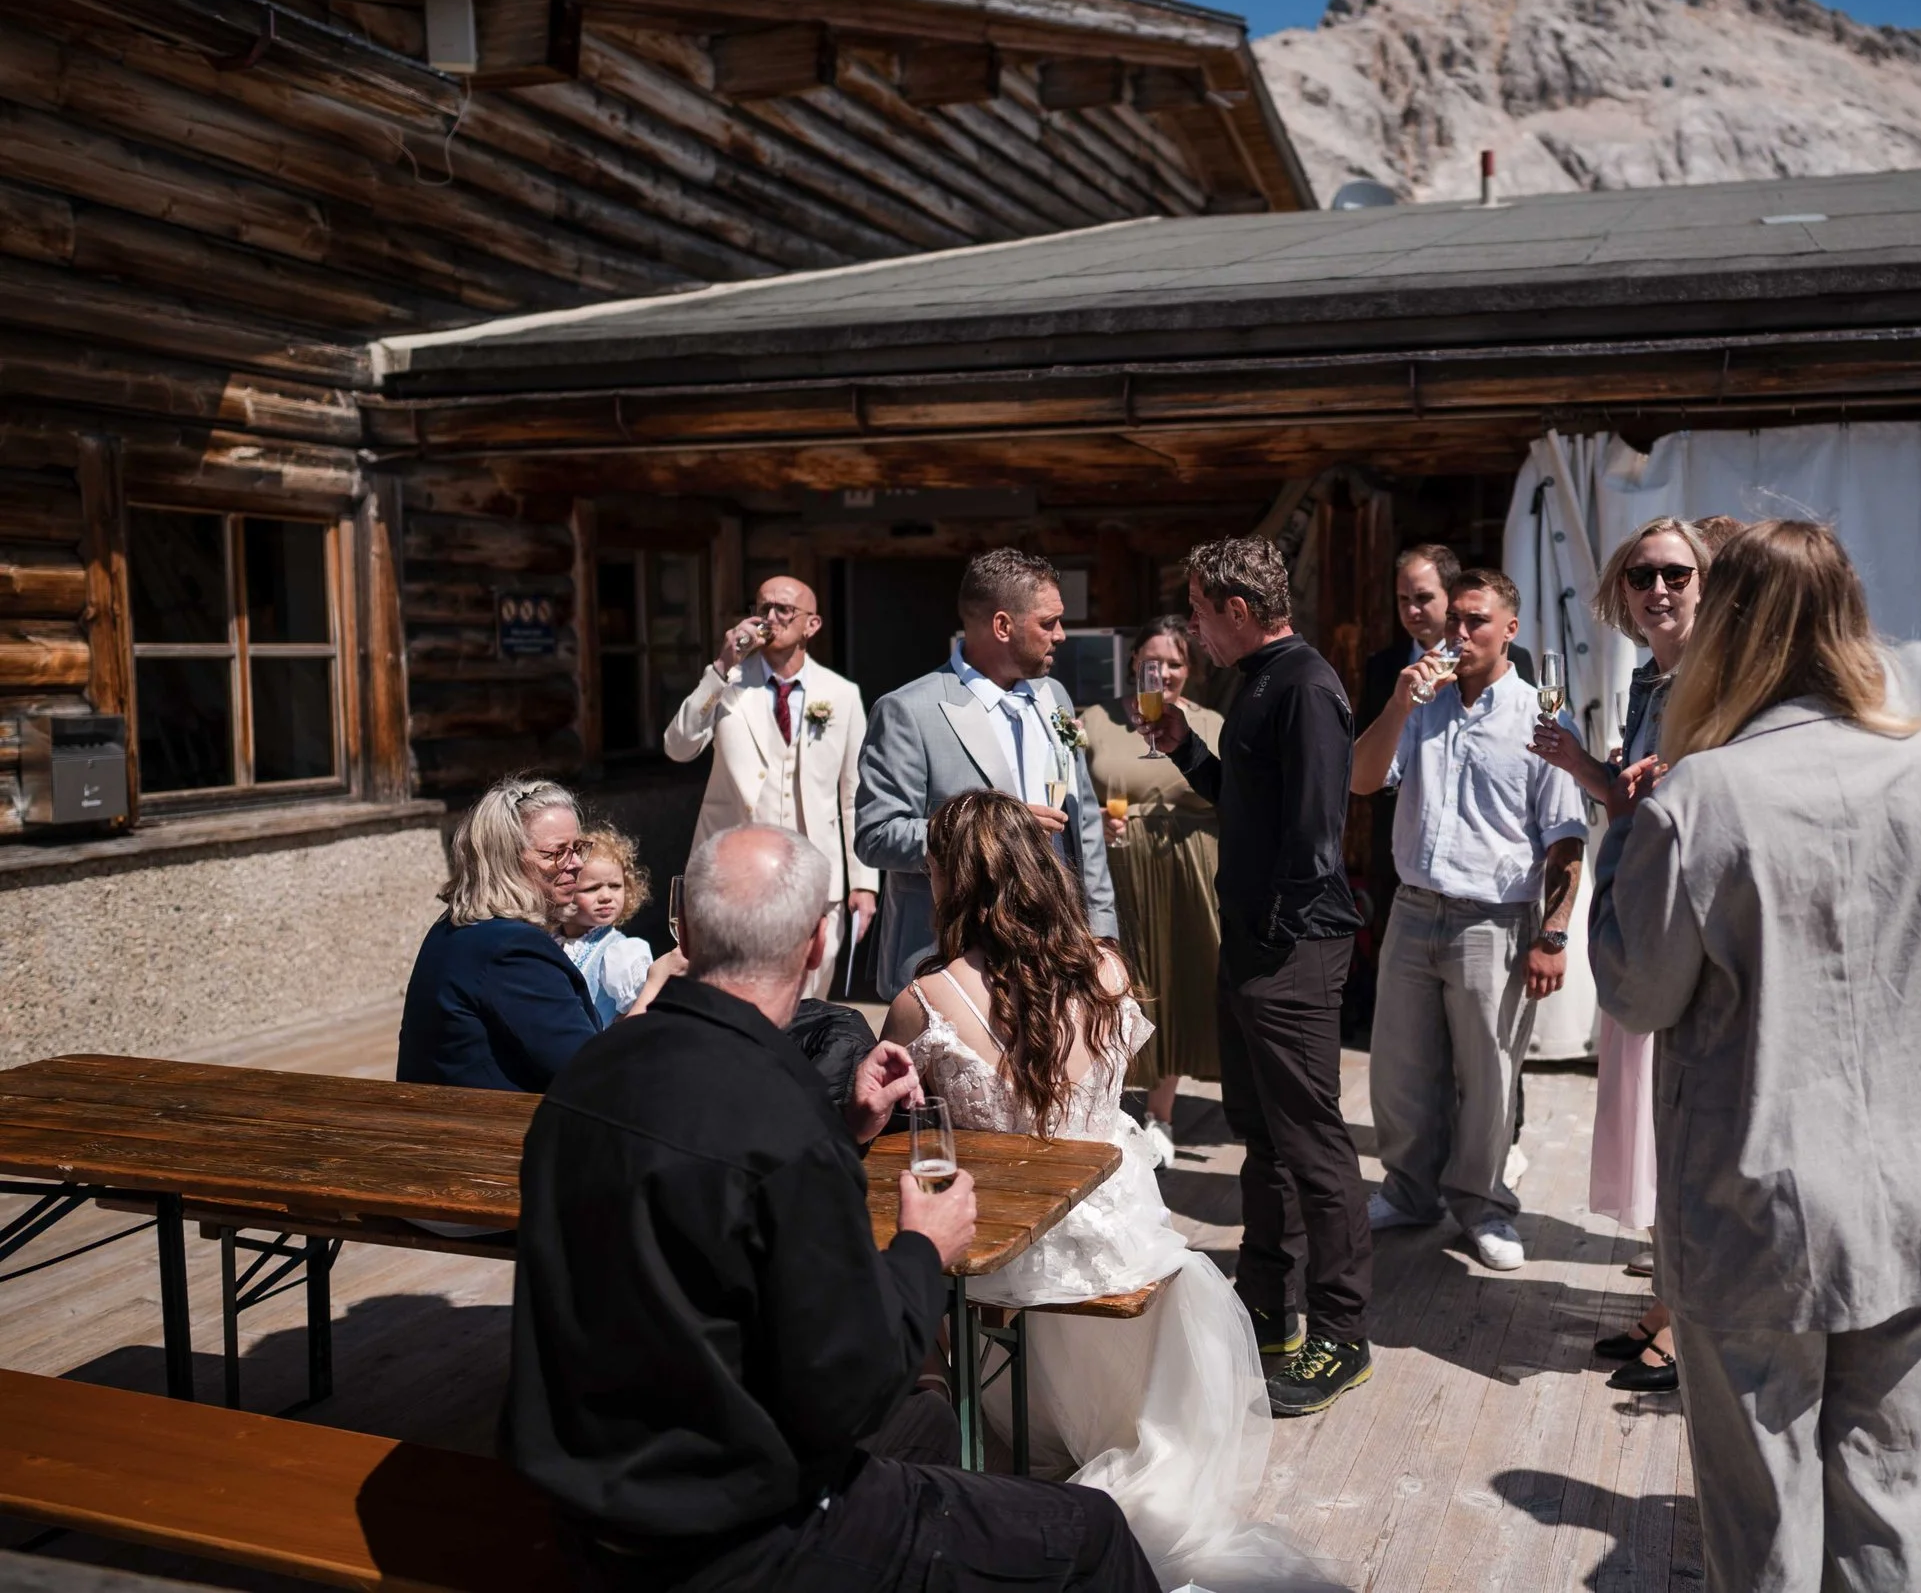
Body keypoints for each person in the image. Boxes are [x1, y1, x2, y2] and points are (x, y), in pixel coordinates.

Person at [506, 822, 1160, 1593]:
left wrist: (846, 1127)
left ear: (684, 931)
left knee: (929, 1424)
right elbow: (852, 1385)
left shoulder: (588, 1076)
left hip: (587, 1503)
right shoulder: (777, 1120)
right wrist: (924, 1247)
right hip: (736, 1536)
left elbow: (705, 1214)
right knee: (1092, 1530)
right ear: (819, 944)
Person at [1590, 520, 1921, 1593]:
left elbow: (1638, 991)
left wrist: (1623, 845)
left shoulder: (1699, 795)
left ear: (1727, 622)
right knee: (1895, 1495)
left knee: (1762, 1515)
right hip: (1918, 1189)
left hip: (1755, 1198)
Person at [881, 792, 1320, 1590]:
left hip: (1012, 1266)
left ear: (952, 879)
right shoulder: (1109, 966)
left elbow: (887, 1120)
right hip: (1128, 1246)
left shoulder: (924, 1000)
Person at [1142, 536, 1373, 1417]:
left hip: (1291, 950)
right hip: (1253, 945)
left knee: (1312, 1139)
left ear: (1238, 610)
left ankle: (1343, 1335)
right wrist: (1184, 750)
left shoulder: (1307, 684)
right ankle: (1269, 1310)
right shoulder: (1257, 681)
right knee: (1263, 1137)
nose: (1194, 627)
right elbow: (1251, 802)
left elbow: (1317, 830)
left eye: (1199, 610)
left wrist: (1271, 940)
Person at [1351, 568, 1585, 1273]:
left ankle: (1483, 1206)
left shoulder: (1541, 716)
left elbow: (1566, 835)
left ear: (1510, 629)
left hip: (1497, 918)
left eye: (1475, 620)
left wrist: (1553, 933)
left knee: (1486, 1072)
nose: (1458, 632)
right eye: (1453, 618)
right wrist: (1397, 702)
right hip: (1416, 907)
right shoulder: (1423, 705)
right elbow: (1363, 780)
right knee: (1397, 1068)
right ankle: (1409, 1190)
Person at [1531, 516, 1715, 1390]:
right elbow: (1633, 807)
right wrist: (1585, 767)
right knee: (1646, 1116)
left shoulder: (1715, 685)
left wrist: (1659, 781)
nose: (1658, 590)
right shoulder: (1650, 682)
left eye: (1676, 573)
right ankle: (1671, 1295)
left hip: (1687, 928)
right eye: (1642, 576)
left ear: (1706, 582)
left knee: (1676, 1123)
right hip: (1638, 915)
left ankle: (1689, 1317)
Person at [857, 549, 1118, 999]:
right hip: (952, 961)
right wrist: (990, 831)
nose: (1060, 636)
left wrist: (1102, 934)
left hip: (1056, 956)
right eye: (1047, 622)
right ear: (1002, 626)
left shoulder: (1053, 696)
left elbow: (1085, 826)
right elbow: (876, 836)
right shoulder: (908, 711)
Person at [663, 576, 877, 1000]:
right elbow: (678, 746)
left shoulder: (843, 694)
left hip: (818, 876)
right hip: (733, 871)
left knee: (809, 999)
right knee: (732, 993)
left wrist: (864, 882)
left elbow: (856, 793)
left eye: (784, 610)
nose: (770, 618)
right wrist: (721, 667)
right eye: (762, 608)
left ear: (812, 626)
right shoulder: (729, 684)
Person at [1080, 616, 1225, 1168]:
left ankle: (1161, 1116)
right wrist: (1093, 820)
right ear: (1132, 661)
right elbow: (1070, 799)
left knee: (1176, 984)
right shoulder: (1094, 720)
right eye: (1151, 660)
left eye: (1174, 663)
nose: (1161, 672)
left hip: (1190, 871)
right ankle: (1109, 1111)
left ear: (1190, 671)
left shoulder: (1210, 725)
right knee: (1117, 986)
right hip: (1115, 871)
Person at [1355, 546, 1534, 932]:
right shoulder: (1384, 667)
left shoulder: (1511, 657)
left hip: (1483, 872)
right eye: (1403, 600)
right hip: (1401, 838)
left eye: (1423, 598)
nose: (1412, 610)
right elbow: (1364, 755)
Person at [400, 776, 602, 1092]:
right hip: (487, 1132)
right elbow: (590, 1072)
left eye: (577, 848)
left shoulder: (455, 926)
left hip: (451, 1120)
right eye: (555, 853)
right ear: (504, 860)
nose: (576, 863)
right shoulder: (513, 950)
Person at [558, 824, 660, 1027]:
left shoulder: (620, 952)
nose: (606, 896)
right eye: (592, 888)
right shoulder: (550, 940)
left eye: (615, 886)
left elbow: (639, 1015)